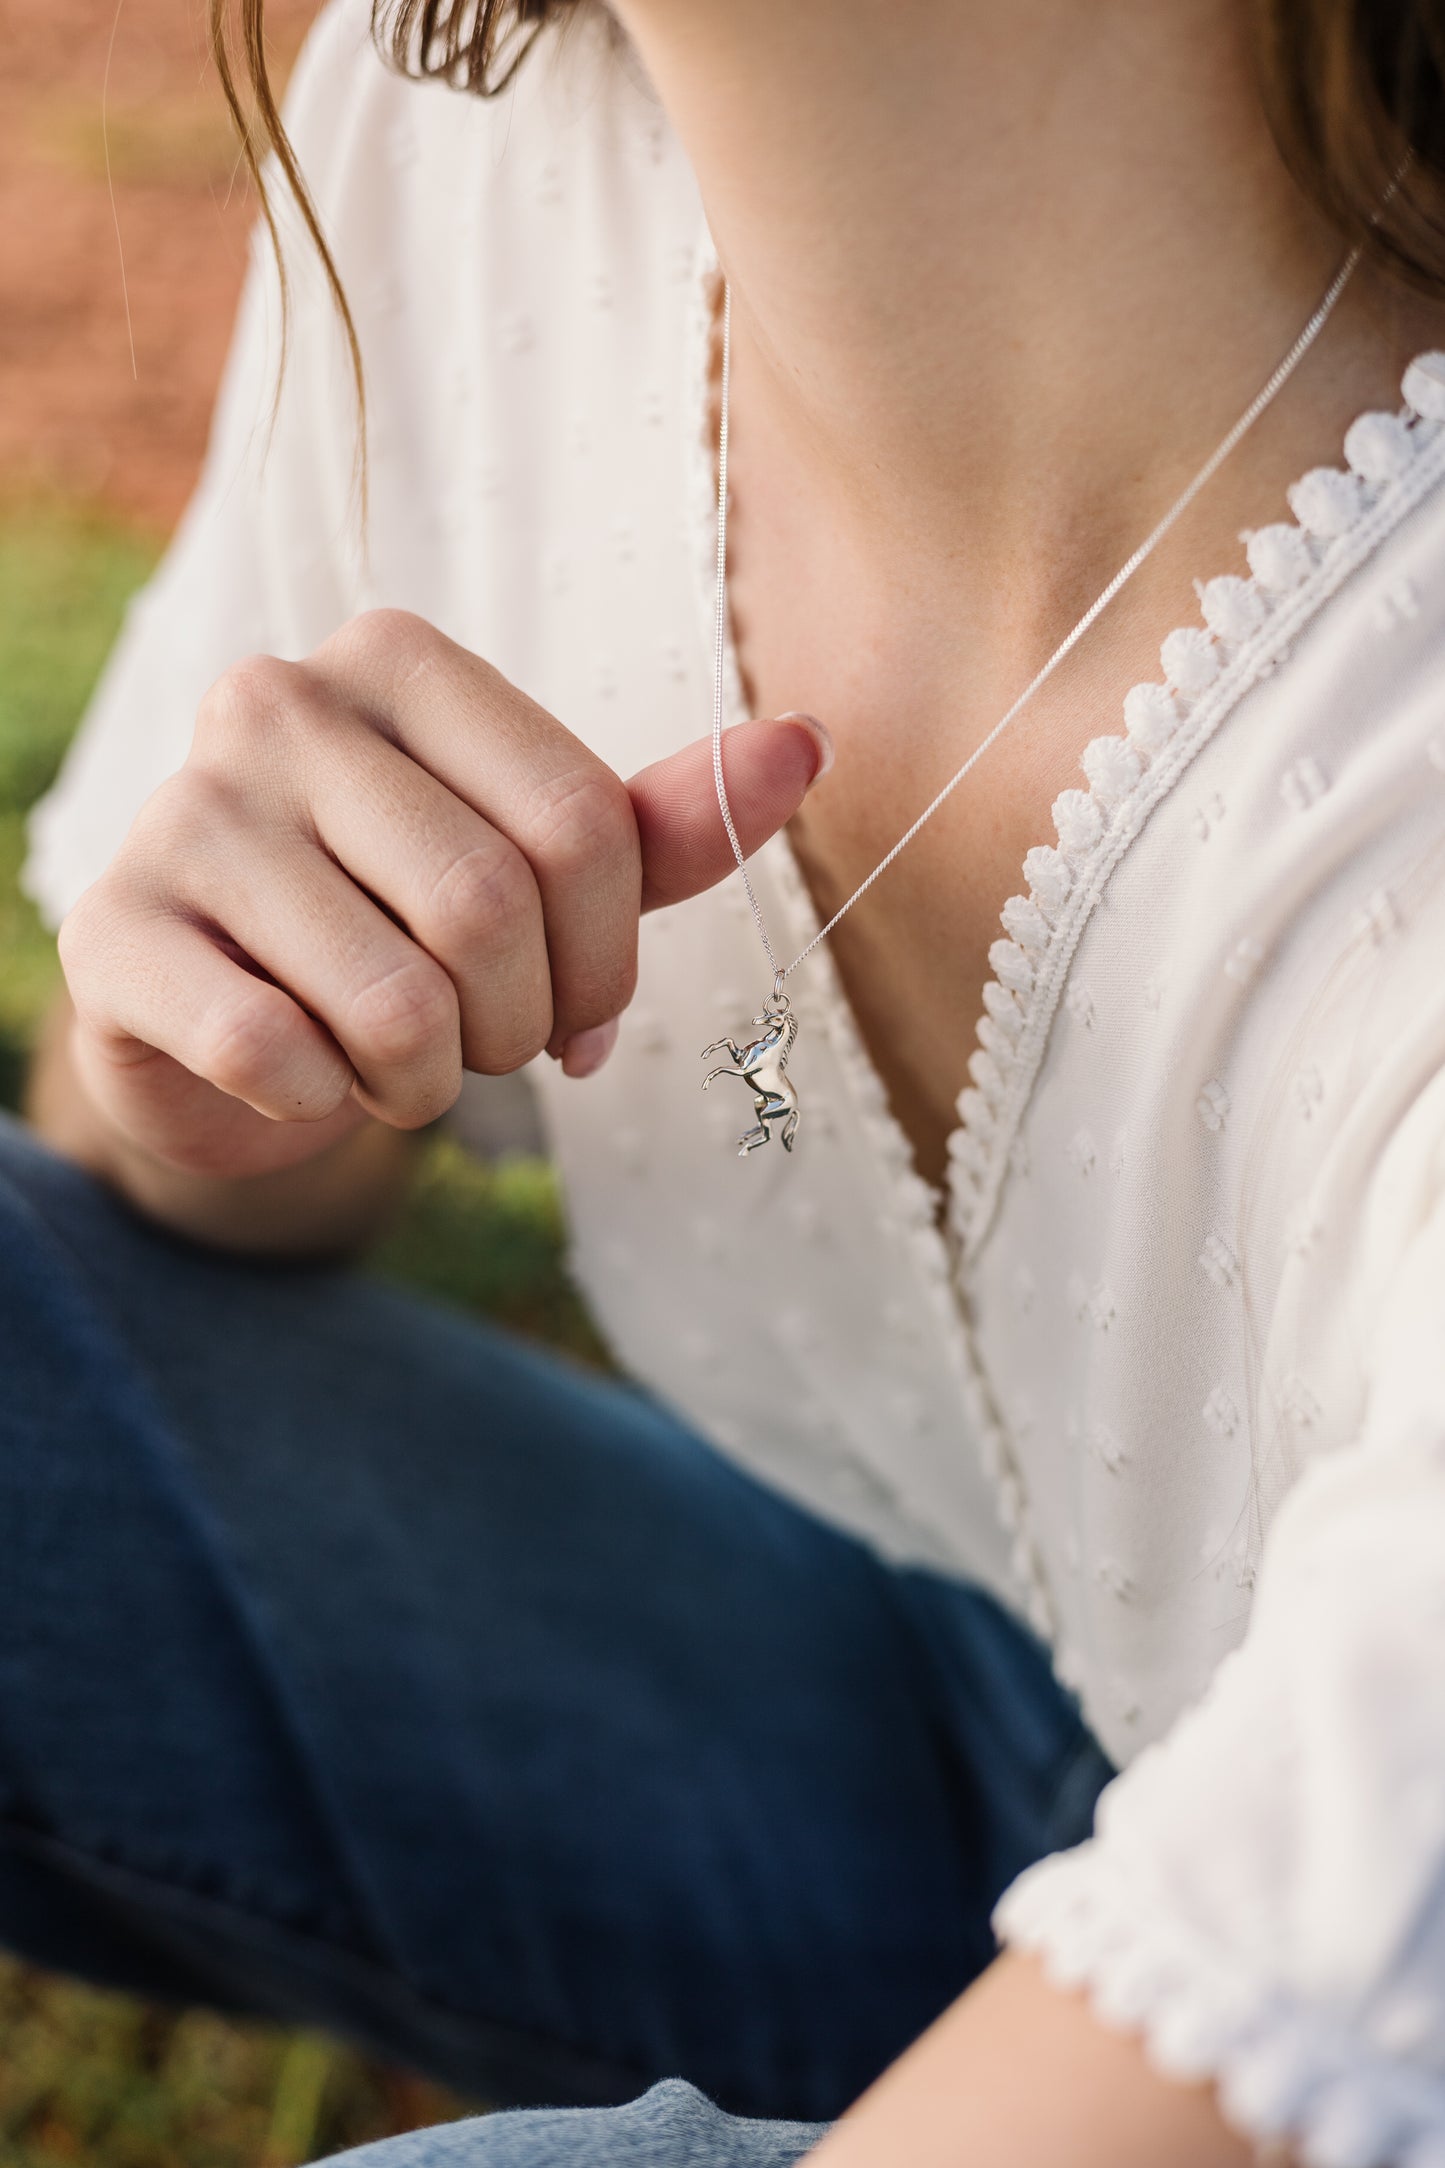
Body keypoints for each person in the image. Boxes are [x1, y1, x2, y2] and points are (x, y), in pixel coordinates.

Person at [6, 0, 1445, 2159]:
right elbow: (140, 1201)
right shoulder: (465, 133)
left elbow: (1345, 1970)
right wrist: (229, 1056)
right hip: (907, 1711)